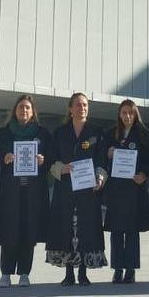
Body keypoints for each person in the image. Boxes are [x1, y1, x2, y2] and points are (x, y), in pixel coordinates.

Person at [47, 93, 108, 286]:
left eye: (85, 105)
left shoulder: (97, 132)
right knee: (66, 228)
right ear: (70, 109)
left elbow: (102, 160)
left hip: (87, 191)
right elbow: (50, 160)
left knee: (85, 229)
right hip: (65, 189)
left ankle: (83, 272)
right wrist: (61, 168)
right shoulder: (59, 132)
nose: (82, 108)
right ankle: (68, 273)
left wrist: (100, 176)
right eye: (78, 105)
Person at [0, 94, 53, 288]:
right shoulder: (3, 133)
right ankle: (6, 273)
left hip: (33, 192)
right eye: (21, 107)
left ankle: (25, 273)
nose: (24, 111)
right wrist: (5, 158)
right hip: (11, 192)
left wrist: (44, 161)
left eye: (27, 108)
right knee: (9, 232)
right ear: (15, 110)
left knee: (29, 232)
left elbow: (52, 160)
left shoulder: (43, 134)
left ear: (33, 111)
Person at [104, 99, 149, 284]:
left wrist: (143, 174)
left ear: (135, 114)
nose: (127, 116)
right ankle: (117, 269)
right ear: (119, 114)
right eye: (124, 113)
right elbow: (101, 157)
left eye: (130, 113)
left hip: (134, 189)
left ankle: (131, 269)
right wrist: (108, 153)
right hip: (116, 190)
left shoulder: (143, 134)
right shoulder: (111, 134)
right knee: (117, 231)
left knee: (132, 231)